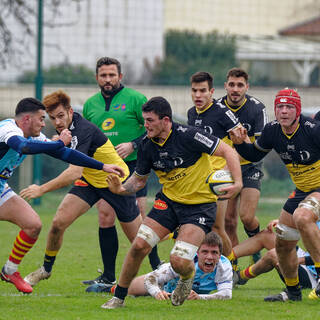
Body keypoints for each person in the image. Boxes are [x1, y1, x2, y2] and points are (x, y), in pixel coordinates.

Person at [101, 96, 242, 309]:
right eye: (144, 120)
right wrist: (120, 189)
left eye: (150, 120)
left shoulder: (189, 135)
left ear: (165, 120)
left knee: (179, 261)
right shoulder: (147, 146)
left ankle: (187, 276)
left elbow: (228, 151)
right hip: (168, 203)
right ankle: (119, 297)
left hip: (200, 207)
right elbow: (139, 180)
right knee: (139, 245)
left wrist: (238, 182)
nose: (145, 125)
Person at [0, 97, 124, 294]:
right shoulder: (8, 129)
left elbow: (67, 154)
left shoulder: (34, 136)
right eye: (41, 119)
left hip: (1, 187)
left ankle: (10, 270)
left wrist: (102, 166)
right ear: (26, 119)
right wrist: (58, 144)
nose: (44, 123)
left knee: (33, 225)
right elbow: (24, 147)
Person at [21, 90, 142, 288]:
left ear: (70, 111)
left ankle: (160, 272)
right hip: (90, 182)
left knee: (140, 241)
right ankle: (45, 270)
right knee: (58, 223)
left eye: (61, 116)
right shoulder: (66, 131)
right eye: (52, 118)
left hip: (115, 182)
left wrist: (41, 189)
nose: (58, 122)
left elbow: (74, 172)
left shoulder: (83, 129)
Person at [230, 88, 320, 302]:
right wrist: (239, 142)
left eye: (289, 107)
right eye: (280, 107)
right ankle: (293, 293)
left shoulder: (313, 130)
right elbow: (253, 154)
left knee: (302, 217)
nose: (284, 111)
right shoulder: (272, 131)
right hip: (301, 191)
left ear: (297, 111)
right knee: (283, 243)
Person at [82, 57, 161, 287]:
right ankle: (108, 276)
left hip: (135, 166)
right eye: (103, 75)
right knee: (105, 215)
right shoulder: (90, 105)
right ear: (97, 77)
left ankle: (160, 269)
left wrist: (132, 145)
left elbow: (152, 131)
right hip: (106, 169)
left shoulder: (136, 99)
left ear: (120, 77)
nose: (108, 80)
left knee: (141, 219)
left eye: (112, 75)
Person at [187, 71, 241, 258]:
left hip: (219, 178)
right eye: (194, 90)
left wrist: (228, 172)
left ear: (212, 92)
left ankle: (231, 266)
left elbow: (240, 143)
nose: (198, 95)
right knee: (197, 224)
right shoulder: (191, 113)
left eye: (203, 91)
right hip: (199, 177)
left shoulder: (223, 112)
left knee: (218, 226)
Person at [89, 232, 233, 300]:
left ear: (220, 255)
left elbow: (226, 294)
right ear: (197, 252)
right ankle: (108, 289)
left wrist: (199, 297)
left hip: (190, 293)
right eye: (205, 252)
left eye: (214, 253)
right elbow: (151, 278)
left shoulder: (224, 265)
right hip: (163, 286)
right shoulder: (185, 262)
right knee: (129, 289)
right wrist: (157, 292)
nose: (209, 257)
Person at [218, 68, 267, 266]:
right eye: (232, 85)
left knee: (247, 217)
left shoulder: (257, 108)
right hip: (225, 169)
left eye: (240, 85)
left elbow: (259, 147)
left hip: (250, 166)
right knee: (228, 221)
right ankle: (233, 265)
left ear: (247, 87)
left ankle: (256, 243)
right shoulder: (216, 108)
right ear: (225, 86)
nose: (235, 89)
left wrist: (244, 143)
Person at [231, 220, 318, 291]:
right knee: (266, 235)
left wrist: (297, 260)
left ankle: (238, 277)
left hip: (314, 278)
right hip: (306, 258)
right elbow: (304, 223)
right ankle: (225, 261)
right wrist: (284, 224)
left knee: (274, 254)